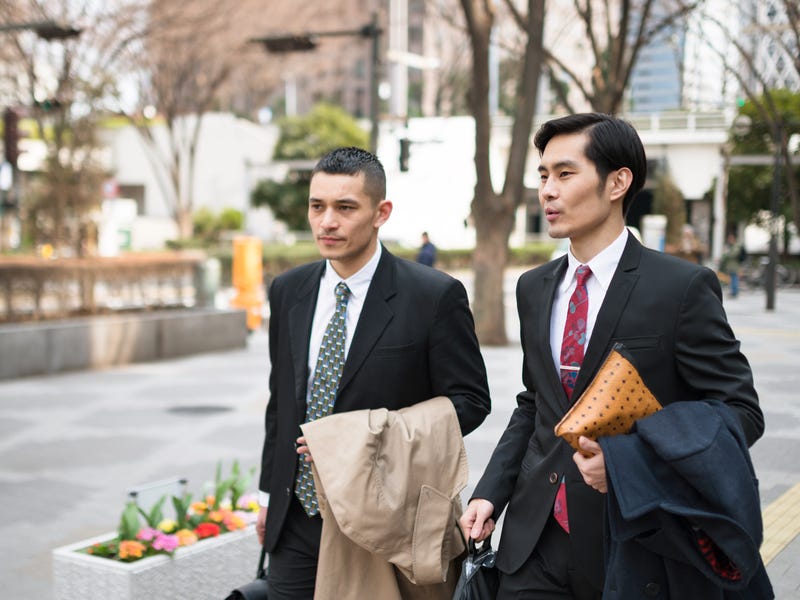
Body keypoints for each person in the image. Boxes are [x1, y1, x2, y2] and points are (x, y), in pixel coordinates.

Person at [459, 113, 766, 598]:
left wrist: (631, 461)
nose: (547, 191)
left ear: (618, 182)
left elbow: (740, 414)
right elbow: (535, 402)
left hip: (633, 542)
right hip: (534, 541)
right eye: (543, 176)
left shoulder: (680, 287)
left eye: (565, 173)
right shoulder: (533, 287)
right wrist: (489, 491)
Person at [257, 146, 491, 599]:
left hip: (387, 517)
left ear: (381, 212)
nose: (327, 222)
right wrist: (269, 494)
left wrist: (373, 435)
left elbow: (471, 401)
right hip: (297, 517)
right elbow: (282, 402)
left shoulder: (433, 296)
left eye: (345, 207)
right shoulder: (289, 290)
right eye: (317, 206)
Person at [719, 232, 745, 298]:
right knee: (732, 278)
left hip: (734, 266)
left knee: (734, 278)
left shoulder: (736, 246)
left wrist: (726, 254)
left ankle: (734, 292)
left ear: (733, 238)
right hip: (730, 266)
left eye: (730, 238)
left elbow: (732, 254)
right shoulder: (730, 246)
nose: (729, 239)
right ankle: (733, 292)